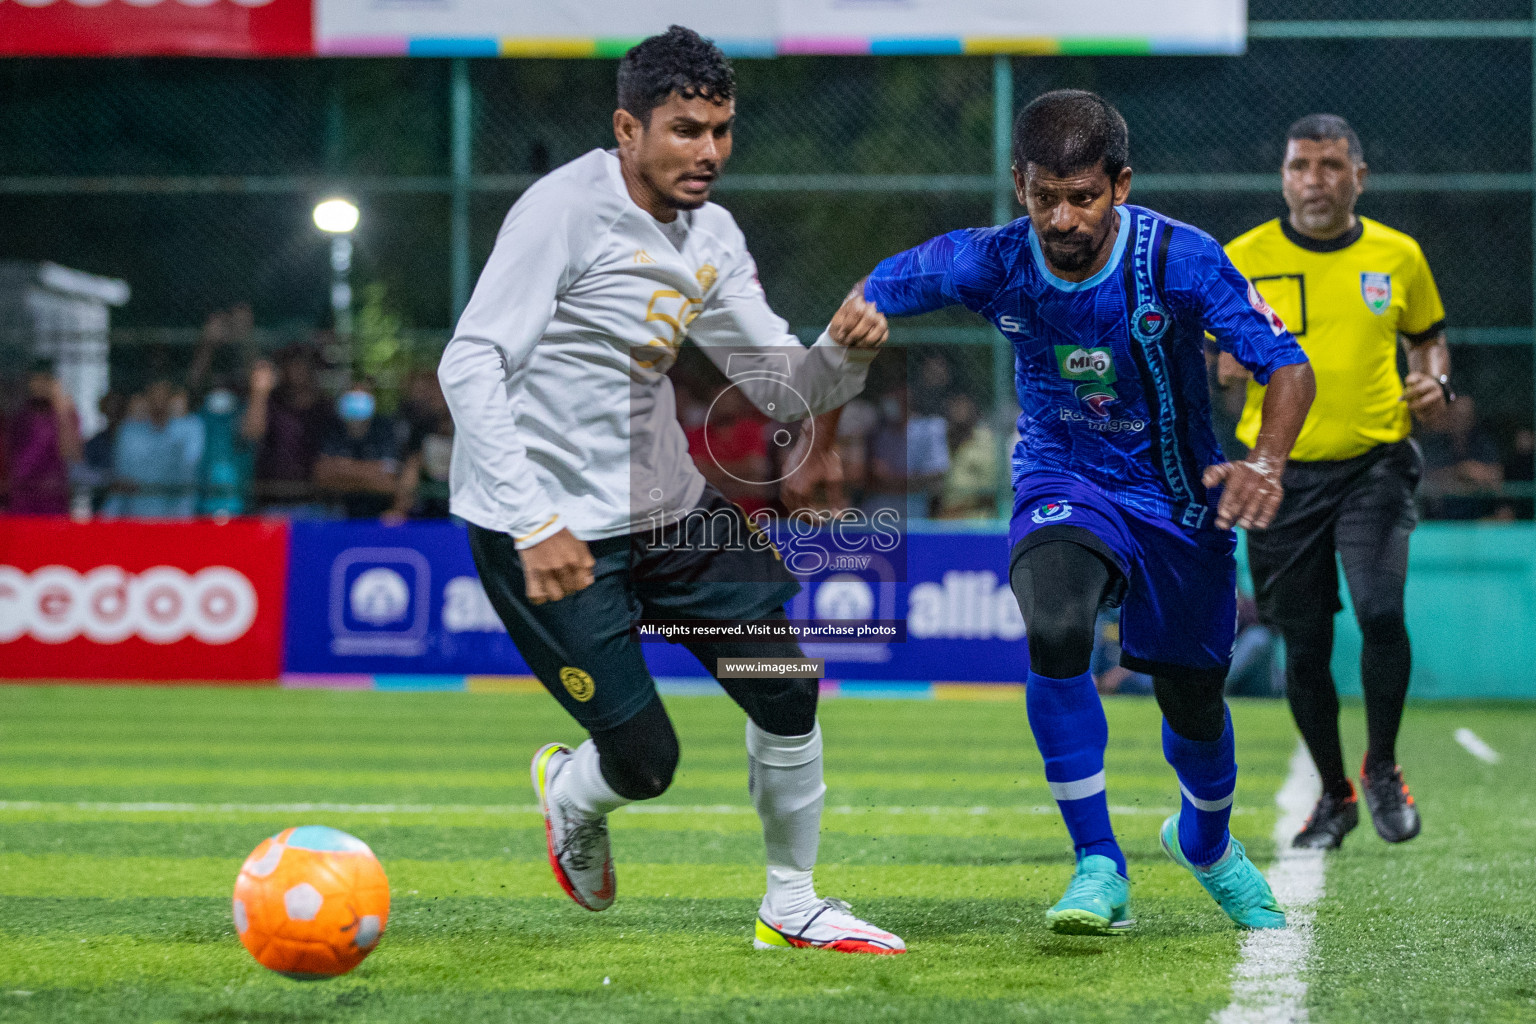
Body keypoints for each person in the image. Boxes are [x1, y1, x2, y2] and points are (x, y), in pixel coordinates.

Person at [437, 26, 902, 954]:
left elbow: (777, 385)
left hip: (673, 511)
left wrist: (841, 362)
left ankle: (792, 903)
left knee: (786, 687)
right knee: (647, 766)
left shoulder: (714, 234)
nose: (710, 153)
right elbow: (469, 362)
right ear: (626, 128)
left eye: (722, 130)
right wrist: (534, 522)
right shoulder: (561, 212)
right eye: (687, 130)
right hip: (547, 530)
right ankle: (574, 792)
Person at [856, 89, 1316, 934]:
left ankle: (1207, 842)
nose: (1062, 218)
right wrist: (860, 313)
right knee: (1058, 628)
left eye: (1084, 197)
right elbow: (895, 279)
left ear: (1122, 185)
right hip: (1063, 477)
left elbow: (1286, 365)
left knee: (1194, 707)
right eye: (1043, 197)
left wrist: (1266, 462)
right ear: (1018, 185)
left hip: (1183, 503)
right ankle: (1097, 862)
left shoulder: (1183, 260)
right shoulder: (991, 261)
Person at [1220, 114, 1450, 849]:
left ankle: (1382, 766)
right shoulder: (1242, 257)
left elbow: (1428, 339)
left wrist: (1434, 381)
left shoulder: (1399, 256)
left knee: (1381, 611)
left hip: (1375, 465)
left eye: (1328, 165)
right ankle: (1335, 794)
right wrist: (1219, 376)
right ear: (1283, 175)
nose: (1312, 180)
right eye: (1299, 166)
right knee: (1305, 643)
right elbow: (1205, 358)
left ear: (1359, 175)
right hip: (1278, 477)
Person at [246, 344, 332, 513]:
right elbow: (251, 433)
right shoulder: (272, 404)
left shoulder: (326, 409)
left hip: (316, 504)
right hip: (273, 503)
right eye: (291, 364)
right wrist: (259, 393)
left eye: (302, 364)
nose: (297, 370)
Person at [104, 378, 205, 519]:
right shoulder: (129, 431)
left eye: (164, 395)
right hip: (135, 521)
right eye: (154, 394)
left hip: (176, 520)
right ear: (146, 398)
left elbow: (189, 472)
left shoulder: (190, 427)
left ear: (172, 399)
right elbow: (122, 480)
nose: (159, 400)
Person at [313, 381, 405, 520]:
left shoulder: (385, 430)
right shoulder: (332, 429)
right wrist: (372, 473)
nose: (357, 403)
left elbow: (389, 482)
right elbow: (322, 477)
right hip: (336, 515)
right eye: (352, 397)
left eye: (362, 398)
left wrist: (343, 469)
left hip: (379, 514)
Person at [6, 363, 82, 515]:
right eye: (34, 380)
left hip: (53, 498)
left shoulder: (65, 414)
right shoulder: (21, 417)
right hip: (23, 498)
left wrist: (61, 411)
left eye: (44, 380)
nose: (38, 386)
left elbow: (72, 454)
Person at [1418, 395, 1502, 521]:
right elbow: (1428, 477)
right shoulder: (1435, 444)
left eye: (1465, 416)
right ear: (1449, 417)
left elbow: (1497, 477)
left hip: (1479, 517)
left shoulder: (1483, 443)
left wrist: (1472, 473)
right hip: (1442, 518)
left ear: (1473, 418)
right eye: (1456, 416)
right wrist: (1461, 471)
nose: (1461, 420)